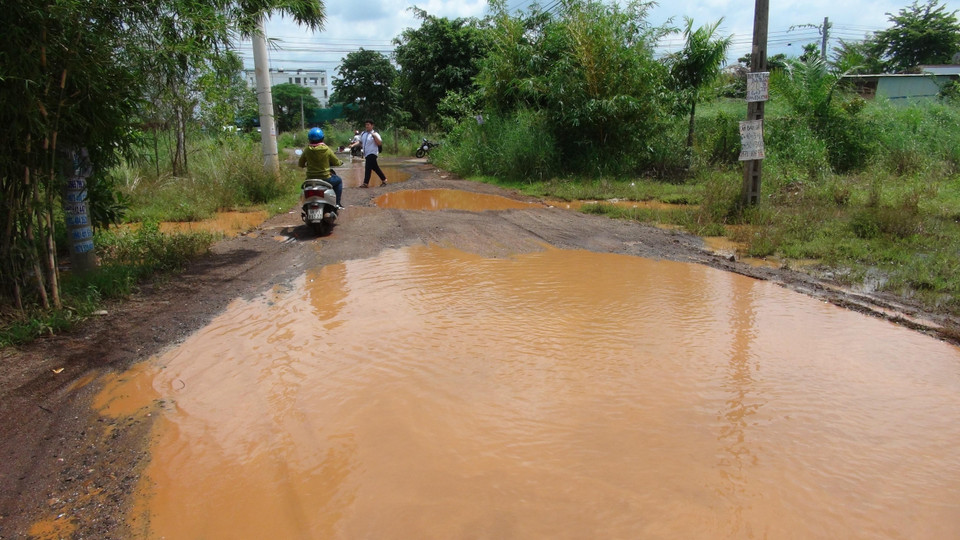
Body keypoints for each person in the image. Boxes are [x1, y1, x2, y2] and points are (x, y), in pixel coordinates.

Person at [298, 127, 344, 208]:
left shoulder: (307, 150)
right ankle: (337, 203)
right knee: (339, 181)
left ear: (309, 139)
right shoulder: (326, 149)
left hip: (310, 179)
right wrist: (340, 162)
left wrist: (305, 165)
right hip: (326, 178)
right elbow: (336, 162)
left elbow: (300, 163)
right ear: (322, 138)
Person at [359, 120, 387, 188]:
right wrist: (353, 145)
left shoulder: (375, 134)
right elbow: (360, 142)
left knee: (368, 167)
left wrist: (374, 136)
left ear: (372, 125)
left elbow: (379, 143)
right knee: (375, 168)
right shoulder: (363, 133)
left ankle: (365, 183)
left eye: (368, 125)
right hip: (366, 153)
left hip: (372, 153)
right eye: (366, 125)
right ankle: (384, 179)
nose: (367, 126)